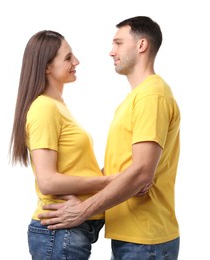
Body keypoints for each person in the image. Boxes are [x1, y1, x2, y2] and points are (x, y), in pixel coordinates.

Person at [38, 16, 181, 260]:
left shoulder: (151, 95)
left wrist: (82, 210)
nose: (111, 52)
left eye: (118, 43)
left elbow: (140, 174)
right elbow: (123, 169)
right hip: (132, 237)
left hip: (146, 240)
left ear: (141, 45)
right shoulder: (134, 99)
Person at [9, 30, 120, 260]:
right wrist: (107, 182)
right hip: (60, 231)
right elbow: (47, 181)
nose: (76, 62)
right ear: (47, 66)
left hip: (69, 231)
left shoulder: (58, 106)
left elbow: (75, 170)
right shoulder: (44, 108)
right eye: (68, 57)